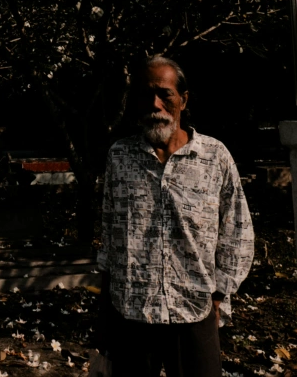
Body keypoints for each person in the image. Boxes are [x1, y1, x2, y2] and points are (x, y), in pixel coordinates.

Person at [95, 55, 254, 377]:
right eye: (144, 94)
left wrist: (220, 294)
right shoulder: (120, 156)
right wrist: (105, 314)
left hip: (194, 309)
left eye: (164, 93)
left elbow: (238, 229)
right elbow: (110, 233)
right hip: (131, 310)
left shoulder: (214, 156)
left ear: (183, 99)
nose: (154, 103)